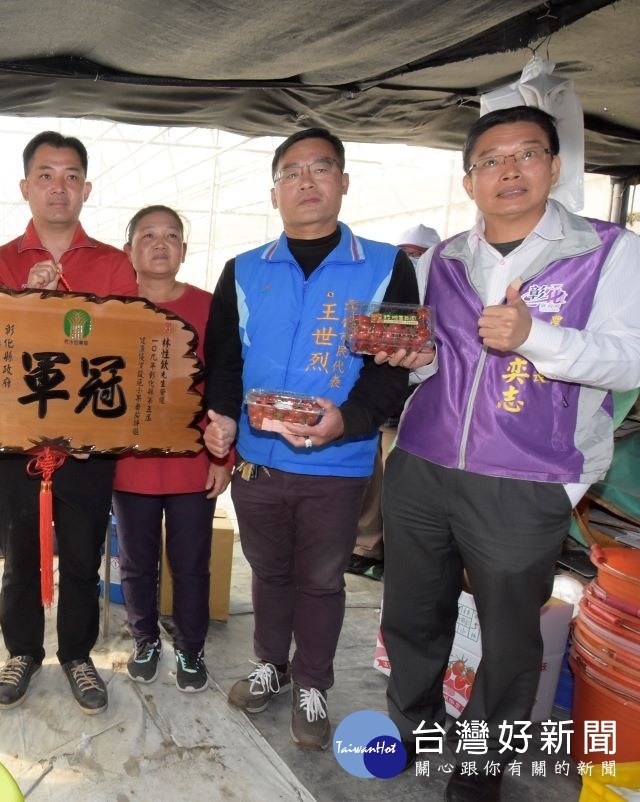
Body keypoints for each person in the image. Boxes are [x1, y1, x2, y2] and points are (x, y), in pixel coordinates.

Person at [380, 105, 640, 802]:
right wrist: (407, 358)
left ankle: (479, 769)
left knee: (509, 639)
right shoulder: (439, 260)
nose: (509, 171)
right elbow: (421, 369)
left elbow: (630, 359)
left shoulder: (608, 253)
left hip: (528, 479)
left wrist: (537, 336)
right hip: (423, 467)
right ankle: (414, 725)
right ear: (469, 181)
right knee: (411, 612)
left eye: (527, 154)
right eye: (490, 160)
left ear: (556, 167)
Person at [203, 127, 417, 750]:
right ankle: (272, 666)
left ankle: (313, 685)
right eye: (291, 172)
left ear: (343, 183)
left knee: (323, 580)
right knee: (267, 572)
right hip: (257, 464)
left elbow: (392, 367)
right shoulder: (242, 270)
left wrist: (345, 422)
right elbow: (224, 361)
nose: (306, 182)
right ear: (274, 193)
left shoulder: (385, 266)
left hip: (338, 461)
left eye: (321, 169)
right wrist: (222, 417)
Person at [0, 131, 138, 715]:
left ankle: (76, 653)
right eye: (45, 175)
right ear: (25, 187)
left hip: (90, 441)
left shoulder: (114, 264)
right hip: (15, 441)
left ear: (86, 189)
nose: (58, 187)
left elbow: (127, 344)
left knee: (82, 553)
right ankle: (21, 649)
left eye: (70, 175)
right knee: (20, 553)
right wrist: (23, 298)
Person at [112, 205, 232, 693]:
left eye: (171, 236)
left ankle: (190, 647)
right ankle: (144, 639)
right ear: (129, 250)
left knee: (191, 561)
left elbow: (226, 382)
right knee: (136, 561)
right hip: (128, 461)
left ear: (184, 250)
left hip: (193, 461)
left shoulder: (210, 306)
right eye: (147, 235)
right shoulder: (110, 307)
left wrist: (224, 458)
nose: (160, 244)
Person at [348, 221, 444, 578]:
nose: (411, 260)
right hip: (384, 393)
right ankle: (369, 545)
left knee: (396, 476)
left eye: (417, 255)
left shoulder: (442, 288)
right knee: (378, 476)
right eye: (407, 254)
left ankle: (387, 548)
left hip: (422, 401)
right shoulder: (388, 281)